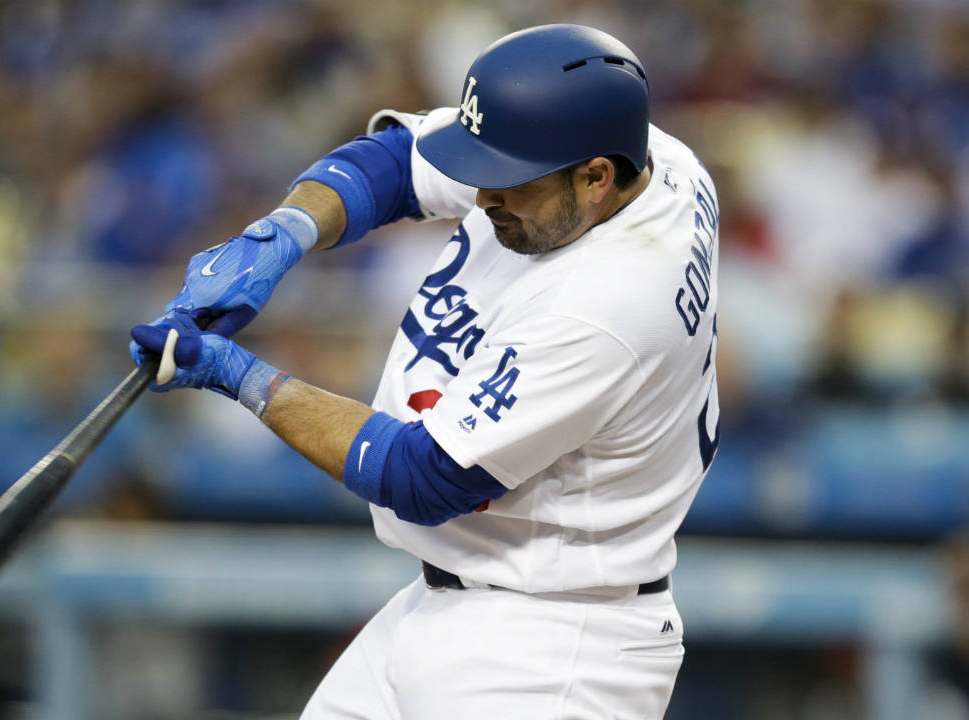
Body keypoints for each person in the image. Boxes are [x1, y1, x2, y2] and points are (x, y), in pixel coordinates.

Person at [130, 24, 720, 719]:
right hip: (456, 598)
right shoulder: (652, 158)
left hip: (551, 648)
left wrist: (237, 376)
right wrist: (283, 233)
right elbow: (396, 160)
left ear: (595, 177)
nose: (482, 196)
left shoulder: (608, 306)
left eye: (508, 180)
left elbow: (424, 476)